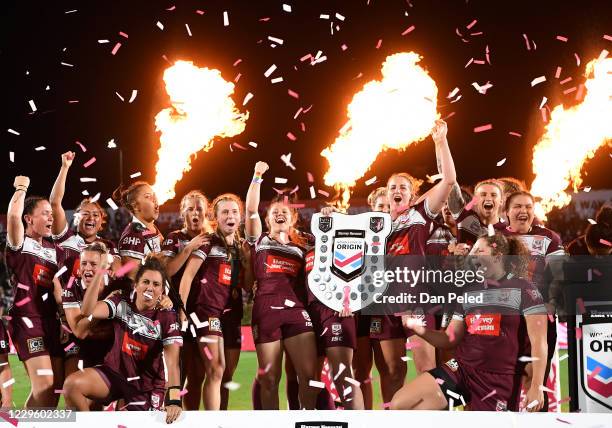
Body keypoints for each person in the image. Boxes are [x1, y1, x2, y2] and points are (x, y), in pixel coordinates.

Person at [390, 232, 548, 412]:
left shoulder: (526, 290)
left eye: (479, 251)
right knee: (401, 404)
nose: (472, 256)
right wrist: (417, 328)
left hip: (498, 380)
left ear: (497, 256)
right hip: (462, 369)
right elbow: (449, 339)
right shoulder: (470, 291)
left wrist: (537, 386)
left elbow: (539, 342)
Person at [369, 119, 457, 404]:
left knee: (426, 370)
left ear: (412, 194)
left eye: (404, 187)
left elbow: (449, 180)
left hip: (416, 303)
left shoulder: (420, 213)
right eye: (393, 186)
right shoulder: (373, 225)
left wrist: (440, 141)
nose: (398, 190)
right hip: (383, 305)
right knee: (393, 372)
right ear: (386, 192)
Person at [63, 255, 182, 424]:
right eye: (146, 282)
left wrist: (174, 400)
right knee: (71, 386)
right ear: (136, 285)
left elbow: (172, 363)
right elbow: (88, 310)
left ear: (162, 291)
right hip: (115, 374)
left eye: (156, 284)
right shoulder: (121, 301)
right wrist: (100, 272)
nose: (150, 287)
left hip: (145, 387)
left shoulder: (167, 317)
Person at [244, 162, 319, 410]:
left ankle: (309, 423)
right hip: (266, 309)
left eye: (285, 212)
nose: (280, 214)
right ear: (267, 220)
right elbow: (251, 210)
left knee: (309, 378)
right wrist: (257, 176)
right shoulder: (260, 239)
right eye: (274, 211)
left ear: (293, 219)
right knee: (269, 379)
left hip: (297, 311)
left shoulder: (304, 243)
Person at [178, 194, 249, 410]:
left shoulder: (240, 246)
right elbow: (188, 276)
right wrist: (181, 312)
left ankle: (219, 418)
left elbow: (247, 284)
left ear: (240, 217)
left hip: (232, 315)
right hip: (207, 313)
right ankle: (208, 421)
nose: (230, 215)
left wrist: (248, 259)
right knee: (214, 370)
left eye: (234, 212)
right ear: (215, 217)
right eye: (225, 212)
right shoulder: (208, 242)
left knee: (225, 375)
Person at [501, 191, 565, 411]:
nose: (523, 211)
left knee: (535, 380)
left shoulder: (549, 238)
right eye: (517, 206)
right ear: (506, 212)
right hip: (503, 318)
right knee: (504, 382)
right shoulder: (494, 235)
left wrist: (551, 301)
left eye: (528, 207)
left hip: (536, 317)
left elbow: (560, 275)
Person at [5, 176, 64, 408]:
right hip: (28, 322)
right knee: (45, 385)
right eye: (45, 213)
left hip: (53, 323)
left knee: (53, 393)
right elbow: (12, 216)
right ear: (29, 219)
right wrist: (21, 187)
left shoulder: (54, 249)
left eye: (51, 213)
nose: (51, 217)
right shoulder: (19, 243)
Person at [160, 191, 211, 410]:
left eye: (199, 208)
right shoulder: (173, 238)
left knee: (197, 374)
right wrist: (190, 246)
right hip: (174, 312)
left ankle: (192, 420)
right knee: (175, 373)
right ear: (183, 213)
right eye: (190, 209)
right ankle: (170, 415)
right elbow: (168, 270)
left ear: (206, 211)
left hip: (201, 313)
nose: (195, 213)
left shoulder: (211, 238)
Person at [50, 151, 121, 283]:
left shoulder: (108, 245)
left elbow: (117, 268)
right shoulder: (65, 238)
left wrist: (114, 271)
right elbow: (54, 203)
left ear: (101, 223)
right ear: (76, 218)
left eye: (95, 215)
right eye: (85, 214)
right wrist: (65, 167)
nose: (91, 218)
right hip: (68, 303)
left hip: (98, 302)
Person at [112, 182, 163, 279]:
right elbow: (132, 280)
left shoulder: (152, 228)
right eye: (148, 196)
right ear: (135, 206)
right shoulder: (133, 235)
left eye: (154, 196)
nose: (155, 200)